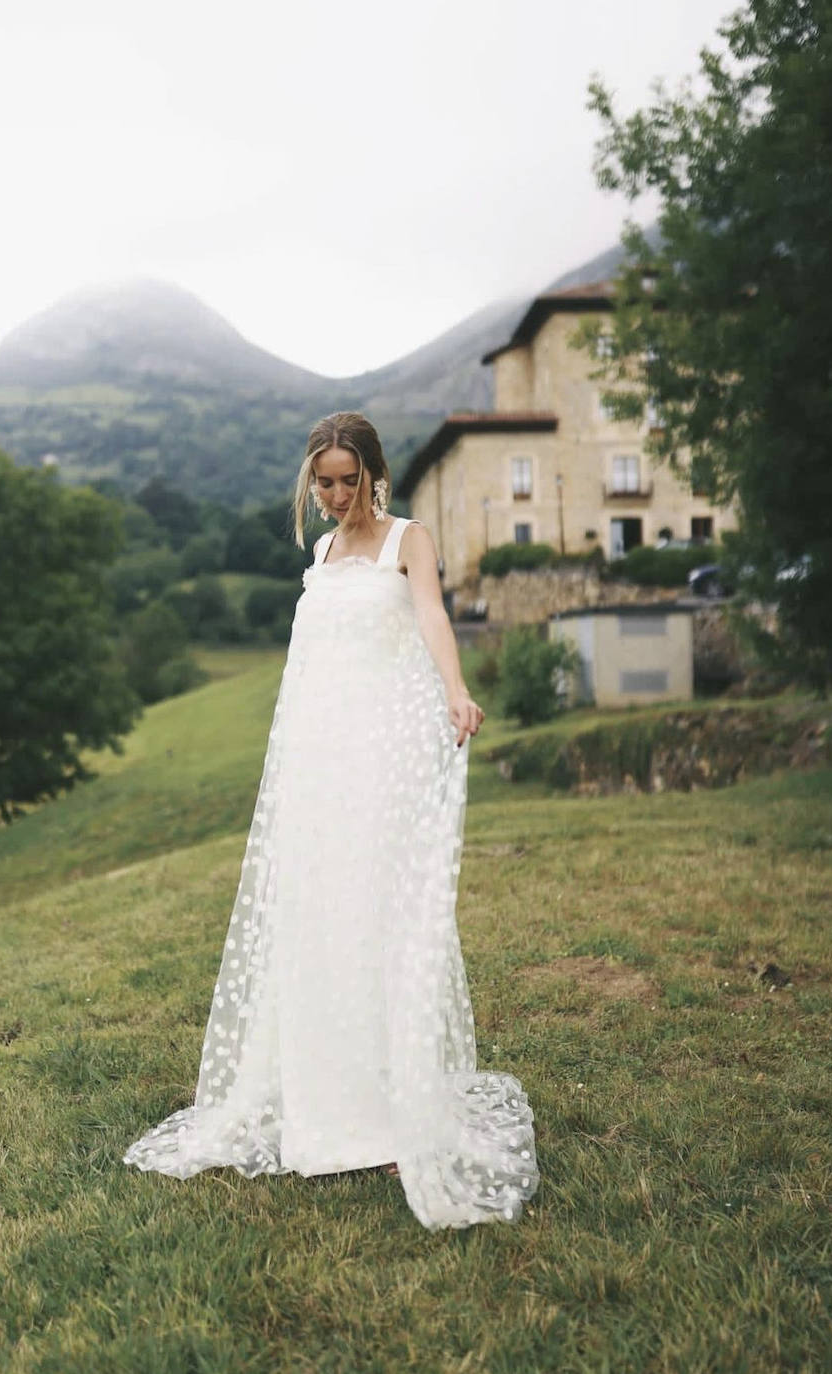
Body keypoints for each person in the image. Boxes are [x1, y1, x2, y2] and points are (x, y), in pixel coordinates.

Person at [122, 411, 539, 1230]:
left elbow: (430, 618)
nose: (339, 494)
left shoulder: (406, 541)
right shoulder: (319, 555)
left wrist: (455, 689)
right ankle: (328, 1106)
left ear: (374, 474)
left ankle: (390, 1111)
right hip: (322, 767)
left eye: (351, 480)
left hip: (380, 764)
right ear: (311, 481)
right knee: (319, 924)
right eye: (326, 481)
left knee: (376, 920)